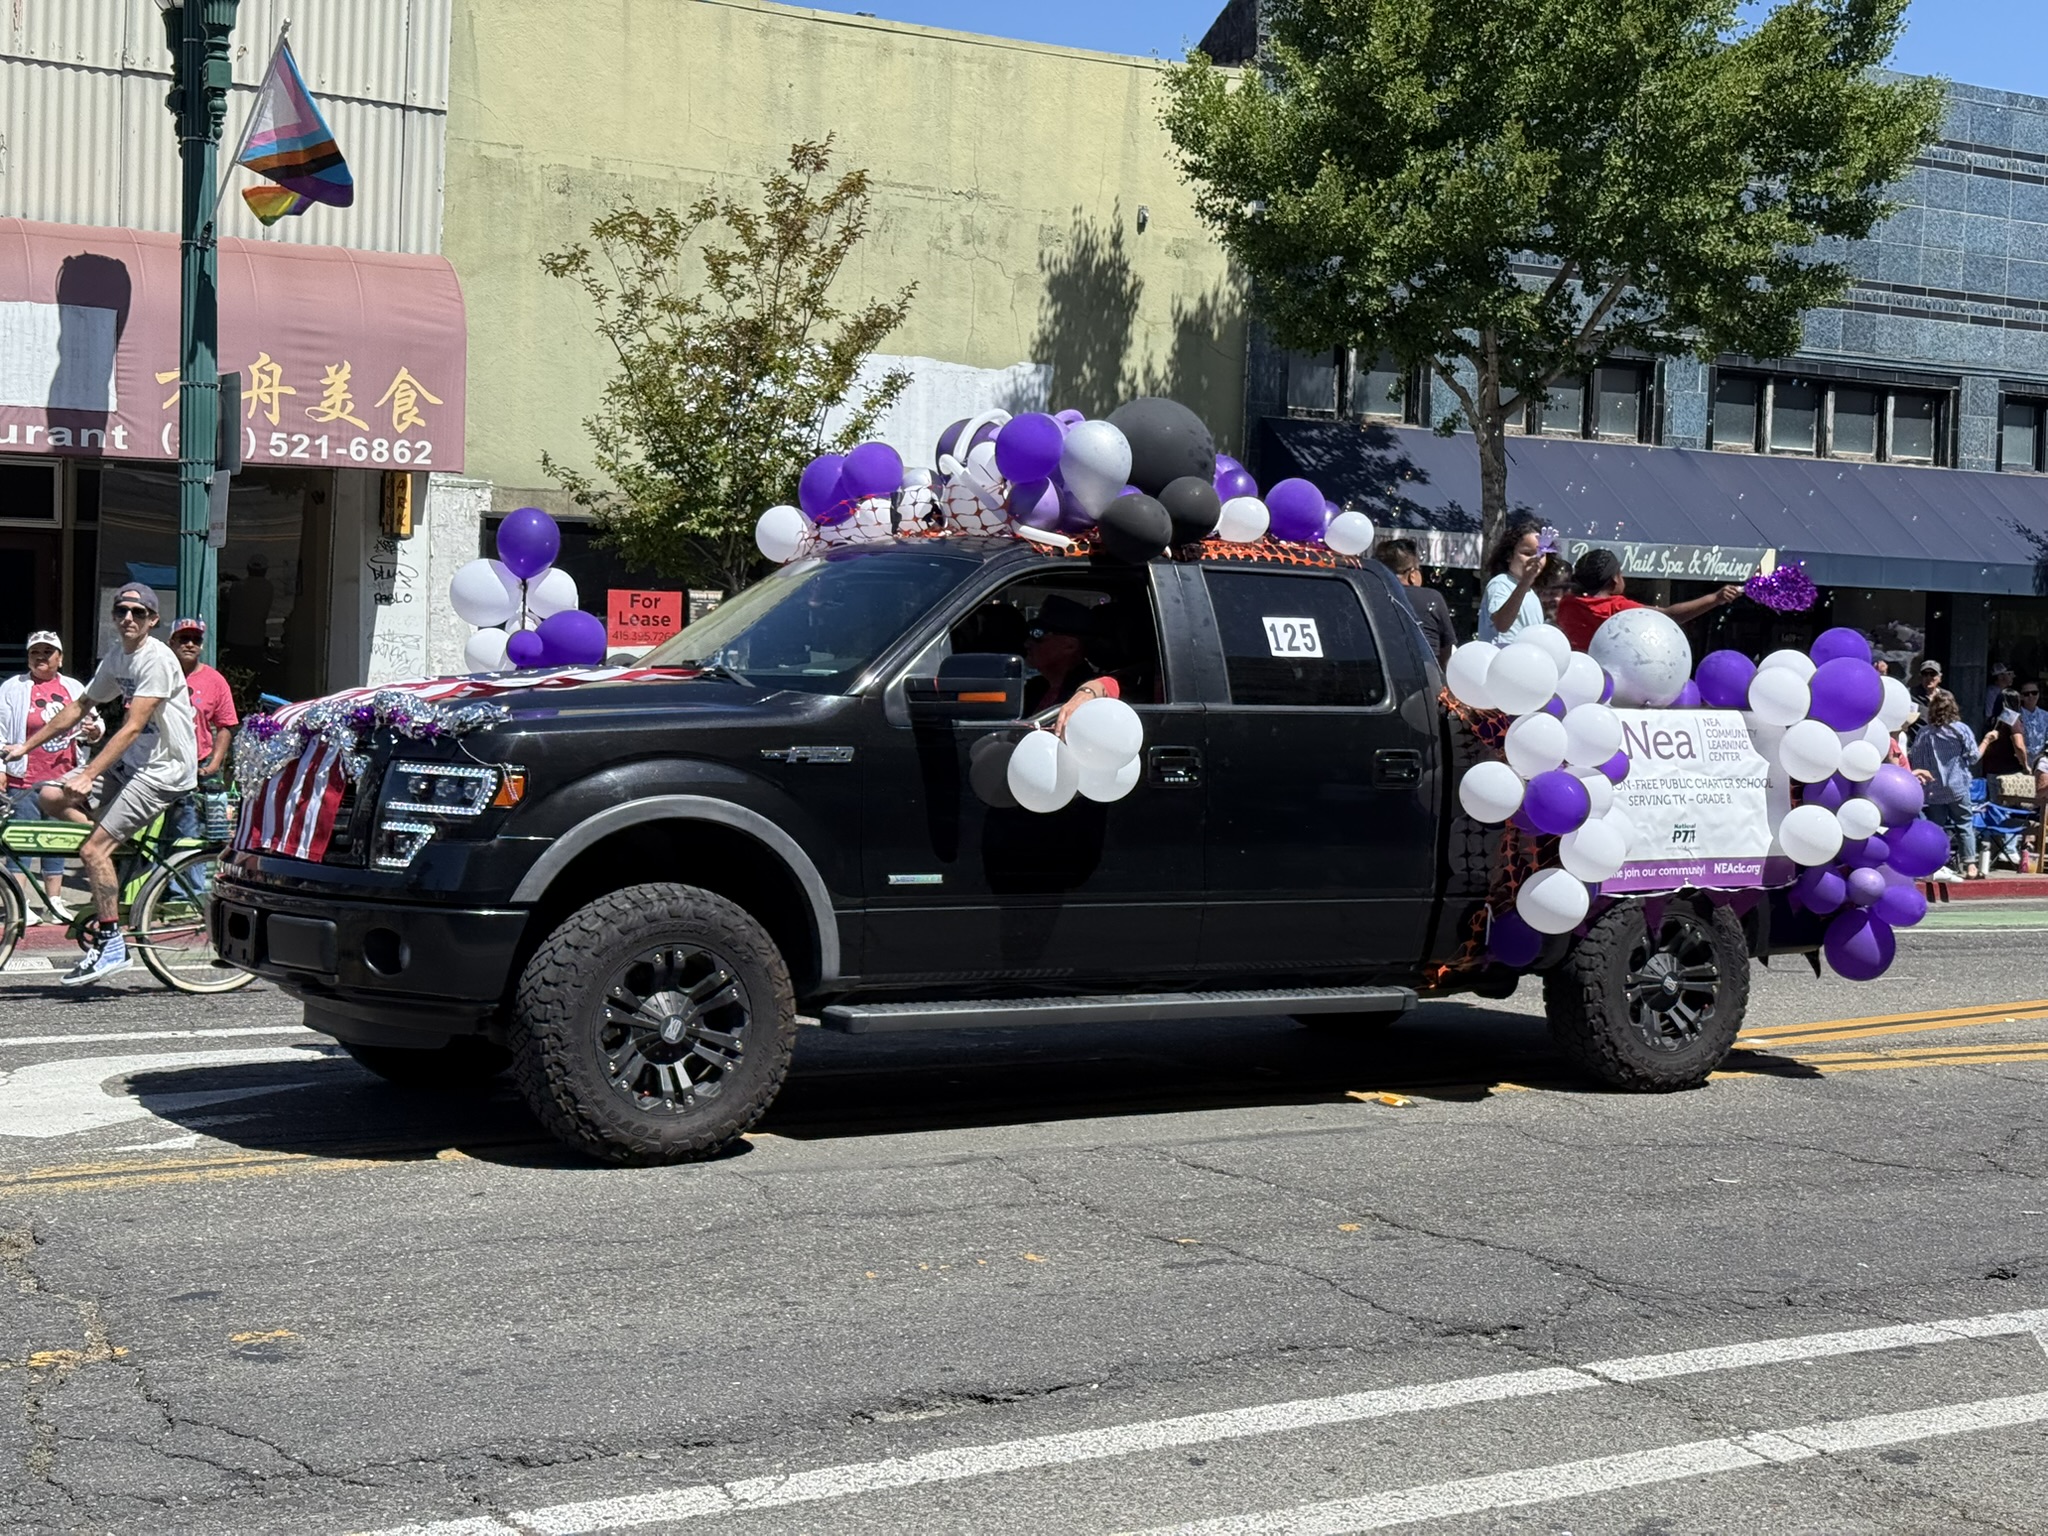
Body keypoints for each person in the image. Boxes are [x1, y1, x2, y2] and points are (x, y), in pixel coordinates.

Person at [1, 584, 199, 984]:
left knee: (92, 849)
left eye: (138, 613)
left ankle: (112, 944)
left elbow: (133, 726)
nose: (128, 618)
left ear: (153, 620)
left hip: (163, 769)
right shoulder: (117, 656)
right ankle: (113, 848)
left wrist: (89, 773)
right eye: (121, 610)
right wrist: (24, 747)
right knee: (50, 795)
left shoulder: (156, 659)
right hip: (132, 763)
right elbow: (78, 707)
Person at [0, 631, 101, 924]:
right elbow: (1, 731)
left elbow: (95, 723)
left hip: (63, 781)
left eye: (48, 652)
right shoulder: (12, 688)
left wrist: (95, 731)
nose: (41, 657)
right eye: (35, 652)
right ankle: (19, 903)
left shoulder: (74, 687)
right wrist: (1, 770)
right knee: (22, 842)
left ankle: (54, 902)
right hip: (24, 780)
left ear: (60, 658)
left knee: (57, 840)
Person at [1552, 549, 1744, 652]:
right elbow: (1670, 616)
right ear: (1615, 579)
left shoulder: (1567, 605)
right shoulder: (1618, 608)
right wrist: (1715, 598)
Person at [166, 616, 239, 842]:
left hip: (200, 764)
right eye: (184, 639)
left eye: (196, 640)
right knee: (164, 830)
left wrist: (214, 764)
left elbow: (226, 725)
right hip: (163, 762)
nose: (190, 644)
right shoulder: (160, 673)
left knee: (205, 831)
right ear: (171, 642)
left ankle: (196, 866)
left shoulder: (214, 680)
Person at [1908, 688, 1983, 881]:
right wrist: (1988, 741)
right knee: (1964, 823)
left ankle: (1937, 863)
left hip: (1933, 788)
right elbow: (1974, 757)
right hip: (1957, 785)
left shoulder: (1924, 733)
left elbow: (1916, 759)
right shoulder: (1960, 729)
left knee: (1936, 827)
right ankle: (1970, 865)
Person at [1022, 595, 1117, 718]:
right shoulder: (1037, 687)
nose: (1027, 643)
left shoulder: (1086, 695)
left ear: (1070, 646)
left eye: (1039, 634)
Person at [1375, 539, 1457, 666]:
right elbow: (1447, 647)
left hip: (1384, 669)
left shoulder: (1373, 595)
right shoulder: (1432, 597)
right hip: (1426, 670)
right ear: (1412, 575)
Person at [1477, 515, 1553, 644]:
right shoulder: (1501, 583)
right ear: (1509, 556)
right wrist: (1525, 582)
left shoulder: (1531, 593)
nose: (1535, 559)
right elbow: (1502, 625)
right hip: (1501, 654)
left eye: (1541, 554)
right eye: (1527, 553)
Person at [1981, 688, 2028, 778]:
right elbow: (2019, 746)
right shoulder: (2012, 719)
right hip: (2010, 773)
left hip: (1991, 772)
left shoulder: (1991, 720)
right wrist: (2025, 765)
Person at [2018, 681, 2048, 765]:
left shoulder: (2046, 716)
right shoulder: (2016, 716)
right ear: (2021, 696)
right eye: (2026, 694)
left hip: (2042, 763)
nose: (2031, 696)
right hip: (2020, 763)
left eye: (2034, 693)